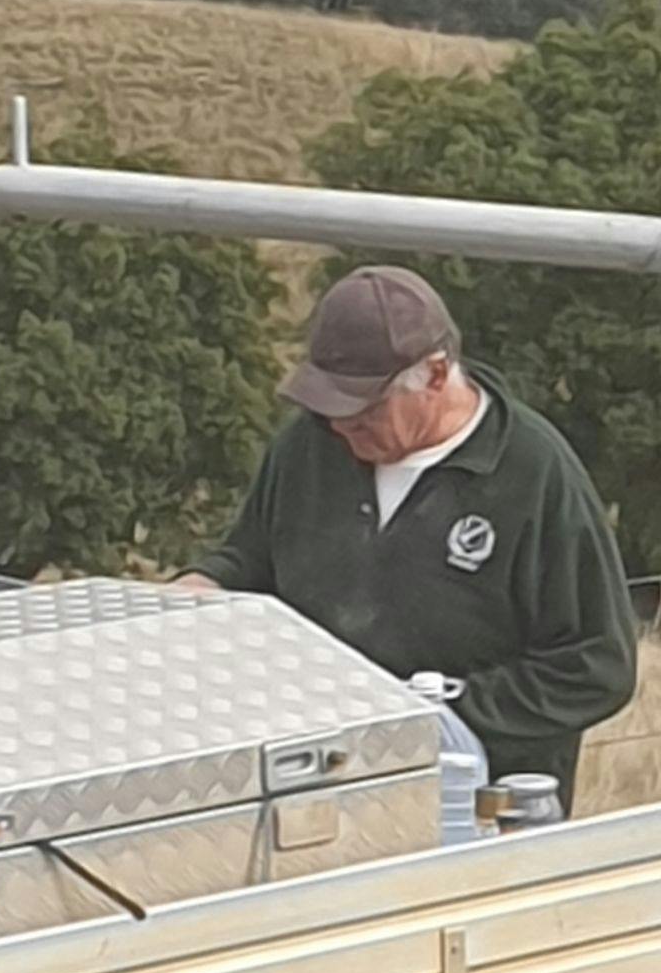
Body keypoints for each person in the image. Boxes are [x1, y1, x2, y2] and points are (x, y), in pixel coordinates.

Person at [181, 266, 636, 811]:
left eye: (364, 408)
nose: (342, 427)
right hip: (311, 792)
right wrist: (204, 585)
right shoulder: (306, 447)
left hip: (477, 809)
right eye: (328, 405)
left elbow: (598, 665)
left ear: (438, 375)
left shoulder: (533, 475)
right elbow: (251, 558)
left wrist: (448, 712)